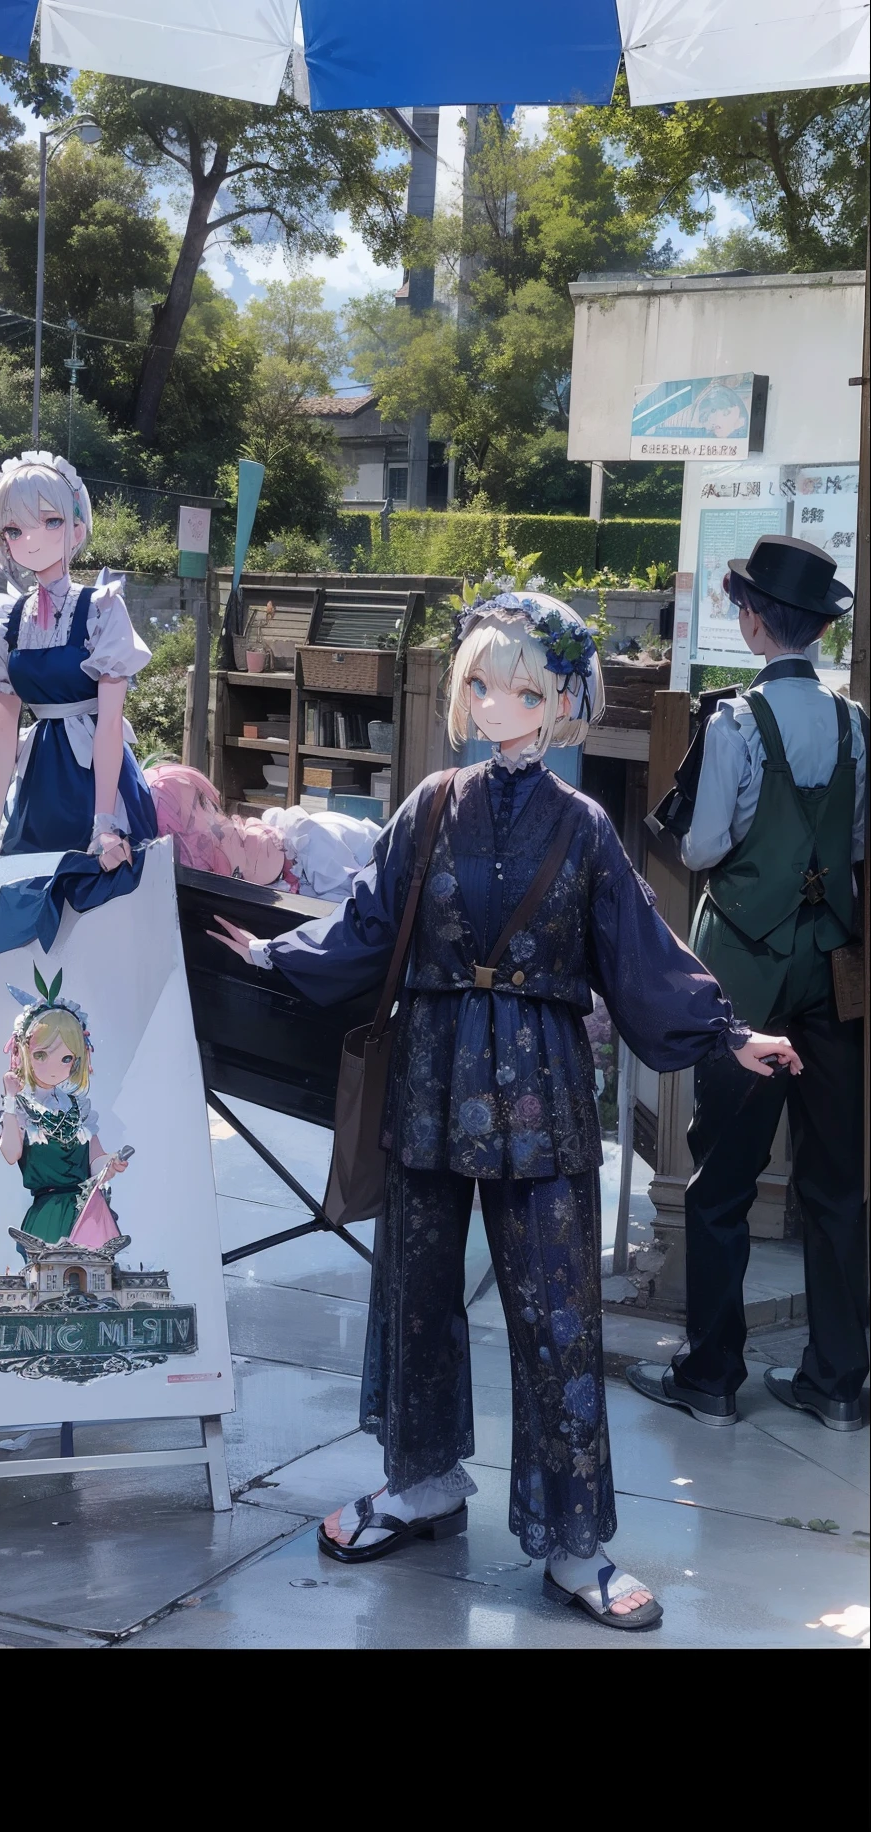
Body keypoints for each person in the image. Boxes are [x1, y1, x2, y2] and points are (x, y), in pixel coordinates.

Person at [210, 590, 799, 1633]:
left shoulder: (580, 829)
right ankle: (421, 1479)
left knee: (556, 1314)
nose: (495, 701)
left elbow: (642, 954)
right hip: (431, 1077)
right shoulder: (429, 803)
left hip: (537, 1090)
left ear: (564, 697)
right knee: (414, 1291)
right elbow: (366, 924)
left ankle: (574, 1539)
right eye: (479, 681)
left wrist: (725, 1030)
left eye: (522, 685)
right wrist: (268, 952)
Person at [628, 535, 867, 1434]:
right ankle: (840, 1382)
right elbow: (852, 845)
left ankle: (713, 1374)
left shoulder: (730, 723)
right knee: (837, 1184)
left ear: (756, 620)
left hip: (743, 973)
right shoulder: (855, 725)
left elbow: (699, 848)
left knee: (723, 1179)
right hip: (836, 972)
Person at [0, 450, 157, 876]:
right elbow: (2, 728)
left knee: (100, 895)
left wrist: (105, 823)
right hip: (39, 780)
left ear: (76, 527)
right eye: (15, 529)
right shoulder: (8, 619)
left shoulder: (101, 610)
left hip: (95, 779)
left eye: (49, 521)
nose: (31, 539)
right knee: (27, 883)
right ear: (4, 540)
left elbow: (109, 723)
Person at [0, 976, 129, 1253]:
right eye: (42, 1055)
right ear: (23, 1053)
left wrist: (111, 1164)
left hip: (89, 1214)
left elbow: (95, 1161)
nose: (55, 1067)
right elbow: (11, 1153)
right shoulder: (20, 1106)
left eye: (66, 1058)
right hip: (47, 1215)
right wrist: (10, 1099)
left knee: (96, 1286)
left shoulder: (78, 1107)